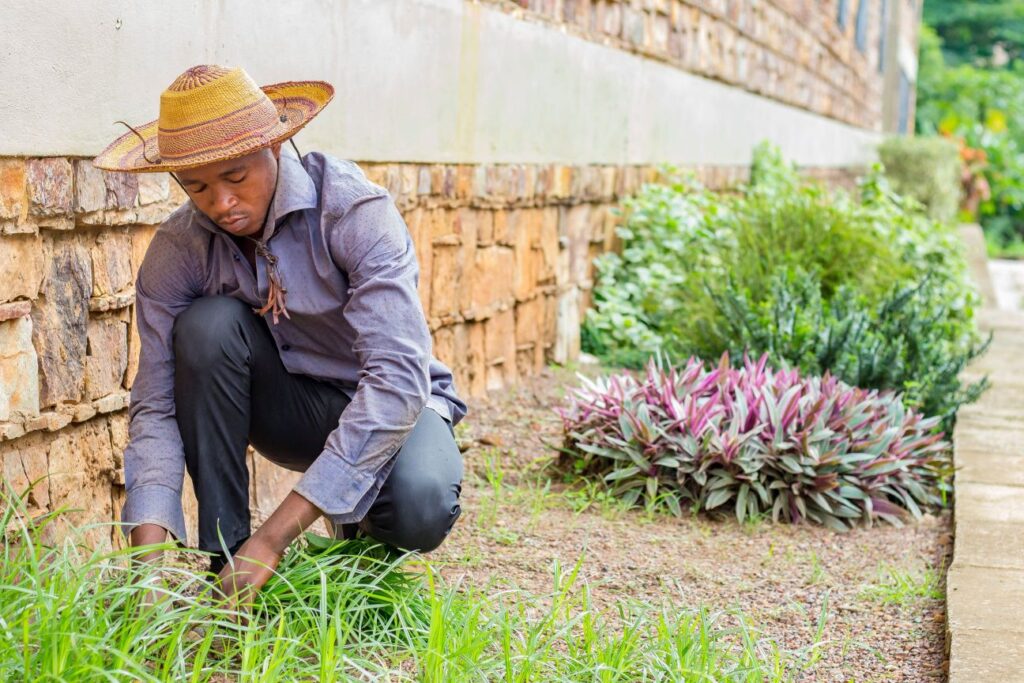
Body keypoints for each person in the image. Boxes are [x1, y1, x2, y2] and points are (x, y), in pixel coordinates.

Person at [93, 64, 467, 604]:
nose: (221, 203)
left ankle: (351, 549)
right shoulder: (179, 250)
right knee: (207, 327)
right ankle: (226, 567)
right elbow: (157, 404)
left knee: (420, 504)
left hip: (394, 405)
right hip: (289, 407)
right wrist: (145, 566)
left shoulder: (353, 211)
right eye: (198, 186)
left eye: (236, 177)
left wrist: (274, 540)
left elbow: (396, 382)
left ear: (275, 147)